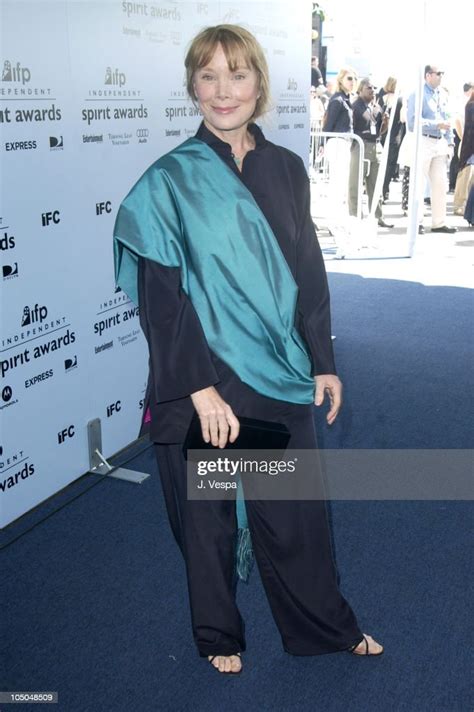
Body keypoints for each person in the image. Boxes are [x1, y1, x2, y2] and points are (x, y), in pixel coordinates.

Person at [114, 24, 383, 674]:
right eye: (208, 75)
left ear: (259, 83)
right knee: (205, 523)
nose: (223, 90)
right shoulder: (171, 180)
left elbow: (306, 271)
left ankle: (323, 625)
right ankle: (218, 635)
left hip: (274, 374)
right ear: (192, 87)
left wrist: (322, 359)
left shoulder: (286, 168)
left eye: (237, 74)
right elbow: (162, 291)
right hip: (201, 378)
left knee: (294, 518)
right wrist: (197, 385)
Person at [407, 65, 457, 233]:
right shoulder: (417, 94)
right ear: (428, 75)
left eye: (442, 73)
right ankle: (417, 221)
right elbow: (413, 122)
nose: (441, 76)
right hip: (424, 140)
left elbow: (448, 118)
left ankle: (439, 222)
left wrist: (450, 143)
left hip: (440, 142)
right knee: (419, 184)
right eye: (438, 73)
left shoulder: (443, 94)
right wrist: (437, 124)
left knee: (440, 184)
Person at [349, 78, 394, 228]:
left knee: (376, 185)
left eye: (374, 87)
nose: (372, 90)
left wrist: (386, 123)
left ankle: (378, 216)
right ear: (360, 89)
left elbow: (380, 130)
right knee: (356, 184)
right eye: (369, 87)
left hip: (376, 146)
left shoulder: (377, 107)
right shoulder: (355, 106)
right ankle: (355, 216)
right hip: (360, 146)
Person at [323, 66, 357, 256]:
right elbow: (328, 125)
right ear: (341, 79)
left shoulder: (345, 99)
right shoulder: (337, 100)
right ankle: (334, 223)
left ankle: (336, 222)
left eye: (354, 78)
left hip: (344, 143)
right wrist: (324, 144)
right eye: (349, 78)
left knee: (340, 186)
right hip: (337, 143)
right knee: (336, 187)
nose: (352, 81)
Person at [377, 76, 406, 201]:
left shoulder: (381, 99)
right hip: (395, 135)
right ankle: (384, 189)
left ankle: (378, 189)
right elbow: (403, 119)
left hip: (382, 134)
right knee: (390, 165)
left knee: (380, 164)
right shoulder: (400, 100)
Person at [453, 84, 474, 215]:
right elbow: (458, 121)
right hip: (468, 146)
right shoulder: (470, 105)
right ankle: (459, 205)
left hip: (469, 144)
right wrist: (462, 138)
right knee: (465, 176)